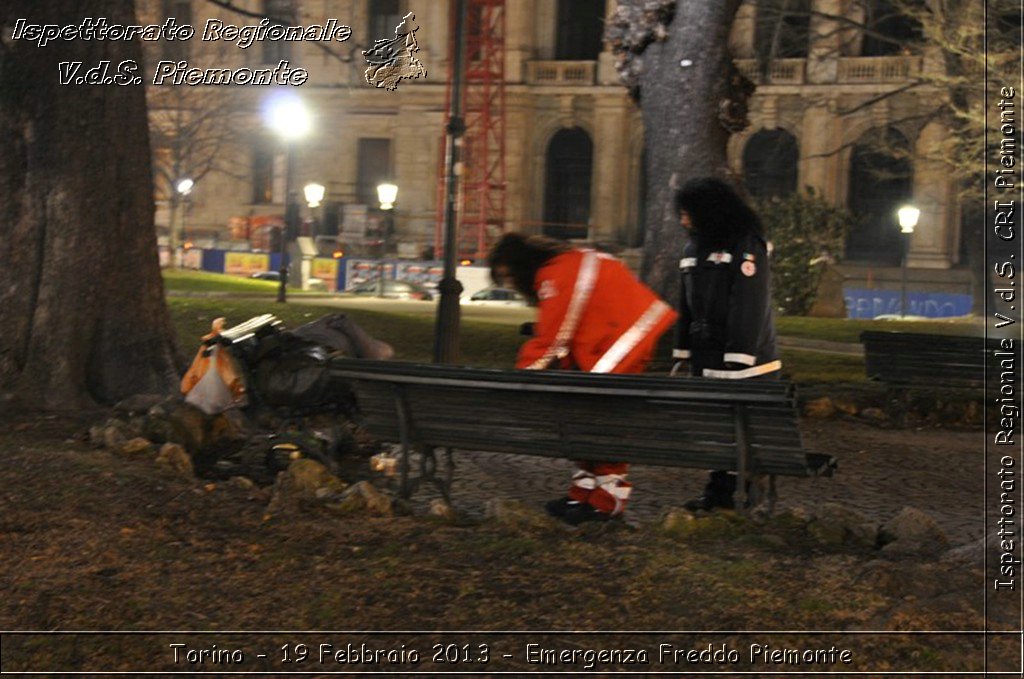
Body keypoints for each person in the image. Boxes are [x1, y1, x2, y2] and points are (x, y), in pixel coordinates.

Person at [488, 233, 677, 525]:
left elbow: (553, 336)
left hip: (620, 341)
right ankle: (586, 490)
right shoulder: (566, 264)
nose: (511, 284)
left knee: (603, 418)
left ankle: (607, 499)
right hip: (626, 332)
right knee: (591, 415)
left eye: (508, 276)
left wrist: (522, 376)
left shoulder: (554, 277)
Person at [671, 177, 781, 511]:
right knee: (718, 429)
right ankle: (720, 489)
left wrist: (739, 355)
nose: (682, 219)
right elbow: (686, 304)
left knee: (740, 429)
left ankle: (738, 492)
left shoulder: (746, 244)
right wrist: (684, 350)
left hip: (745, 363)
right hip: (708, 355)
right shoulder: (694, 249)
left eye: (688, 212)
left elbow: (749, 302)